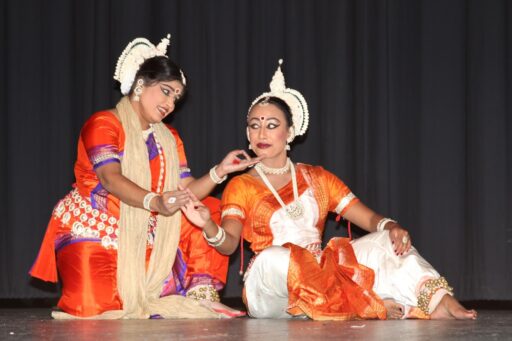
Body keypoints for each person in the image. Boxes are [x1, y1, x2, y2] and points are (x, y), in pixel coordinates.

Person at [180, 60, 478, 320]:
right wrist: (208, 223)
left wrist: (392, 226)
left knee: (385, 242)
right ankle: (368, 306)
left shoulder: (316, 178)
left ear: (290, 133)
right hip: (272, 289)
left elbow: (369, 219)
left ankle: (439, 302)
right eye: (254, 126)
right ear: (247, 134)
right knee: (274, 257)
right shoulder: (241, 184)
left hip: (321, 276)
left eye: (272, 125)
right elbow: (229, 245)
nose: (261, 133)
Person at [29, 35, 258, 319]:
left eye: (176, 97)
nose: (170, 103)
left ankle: (201, 295)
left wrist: (220, 171)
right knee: (93, 310)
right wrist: (156, 202)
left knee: (208, 207)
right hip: (93, 230)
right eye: (166, 91)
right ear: (140, 84)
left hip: (146, 235)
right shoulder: (103, 124)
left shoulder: (169, 138)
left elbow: (187, 190)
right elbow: (110, 179)